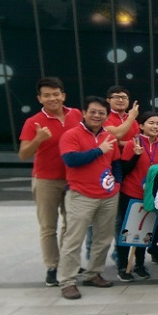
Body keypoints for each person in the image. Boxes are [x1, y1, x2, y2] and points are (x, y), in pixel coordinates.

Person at [18, 77, 84, 286]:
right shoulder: (33, 122)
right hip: (46, 180)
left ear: (63, 95)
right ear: (39, 98)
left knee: (71, 225)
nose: (52, 98)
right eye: (46, 95)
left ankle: (67, 261)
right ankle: (52, 266)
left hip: (73, 179)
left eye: (56, 94)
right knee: (48, 227)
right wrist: (38, 139)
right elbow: (23, 154)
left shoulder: (76, 114)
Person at [57, 96, 123, 299]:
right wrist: (99, 150)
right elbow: (71, 159)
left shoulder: (109, 136)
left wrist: (117, 185)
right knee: (74, 239)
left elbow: (116, 163)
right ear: (84, 113)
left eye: (101, 113)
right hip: (81, 194)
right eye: (92, 112)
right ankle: (67, 281)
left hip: (108, 194)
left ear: (106, 116)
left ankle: (93, 273)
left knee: (103, 238)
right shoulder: (71, 135)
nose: (97, 115)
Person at [115, 111, 158, 282]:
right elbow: (124, 170)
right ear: (141, 126)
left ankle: (139, 264)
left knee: (145, 231)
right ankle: (123, 266)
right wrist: (136, 156)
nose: (155, 126)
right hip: (130, 194)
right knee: (127, 230)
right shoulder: (133, 144)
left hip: (150, 196)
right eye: (151, 123)